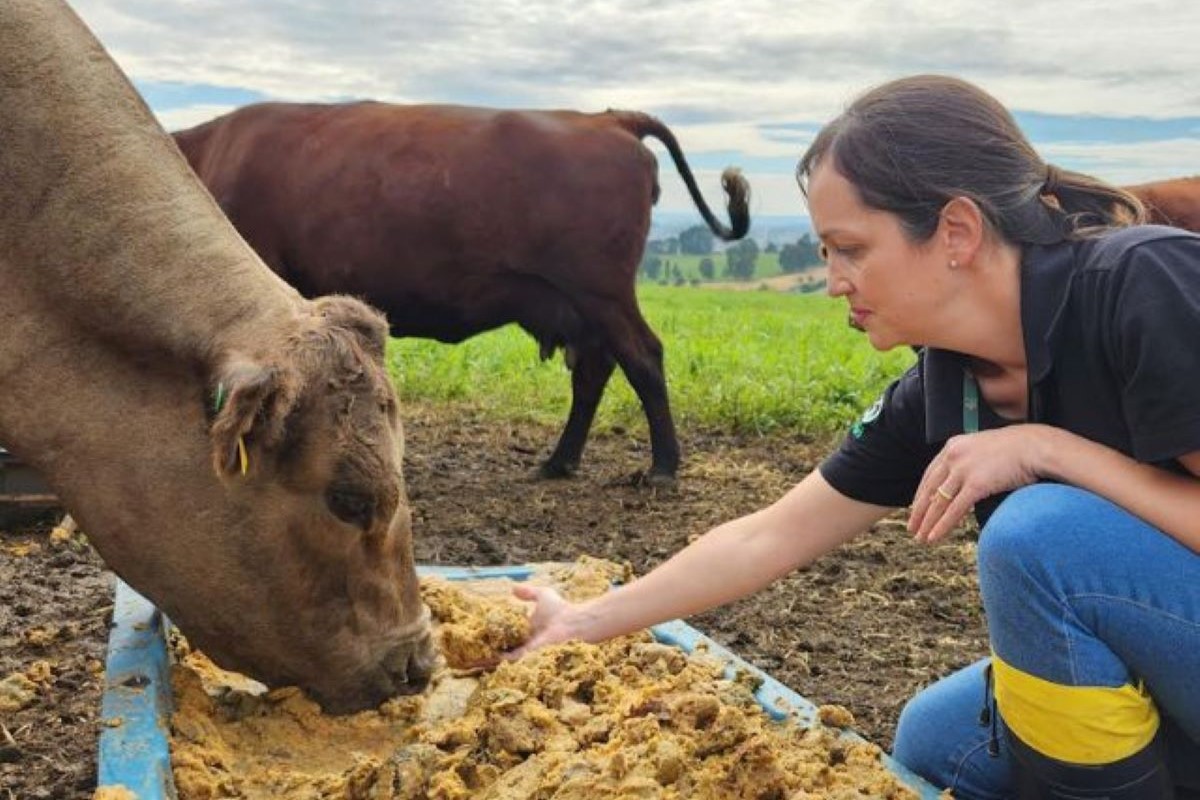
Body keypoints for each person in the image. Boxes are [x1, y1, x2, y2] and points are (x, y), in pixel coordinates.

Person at [508, 74, 1200, 800]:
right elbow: (769, 535)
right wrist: (583, 620)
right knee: (937, 740)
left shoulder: (1143, 284)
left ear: (956, 232)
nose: (834, 280)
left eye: (850, 249)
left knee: (1037, 538)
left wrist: (1048, 451)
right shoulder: (944, 385)